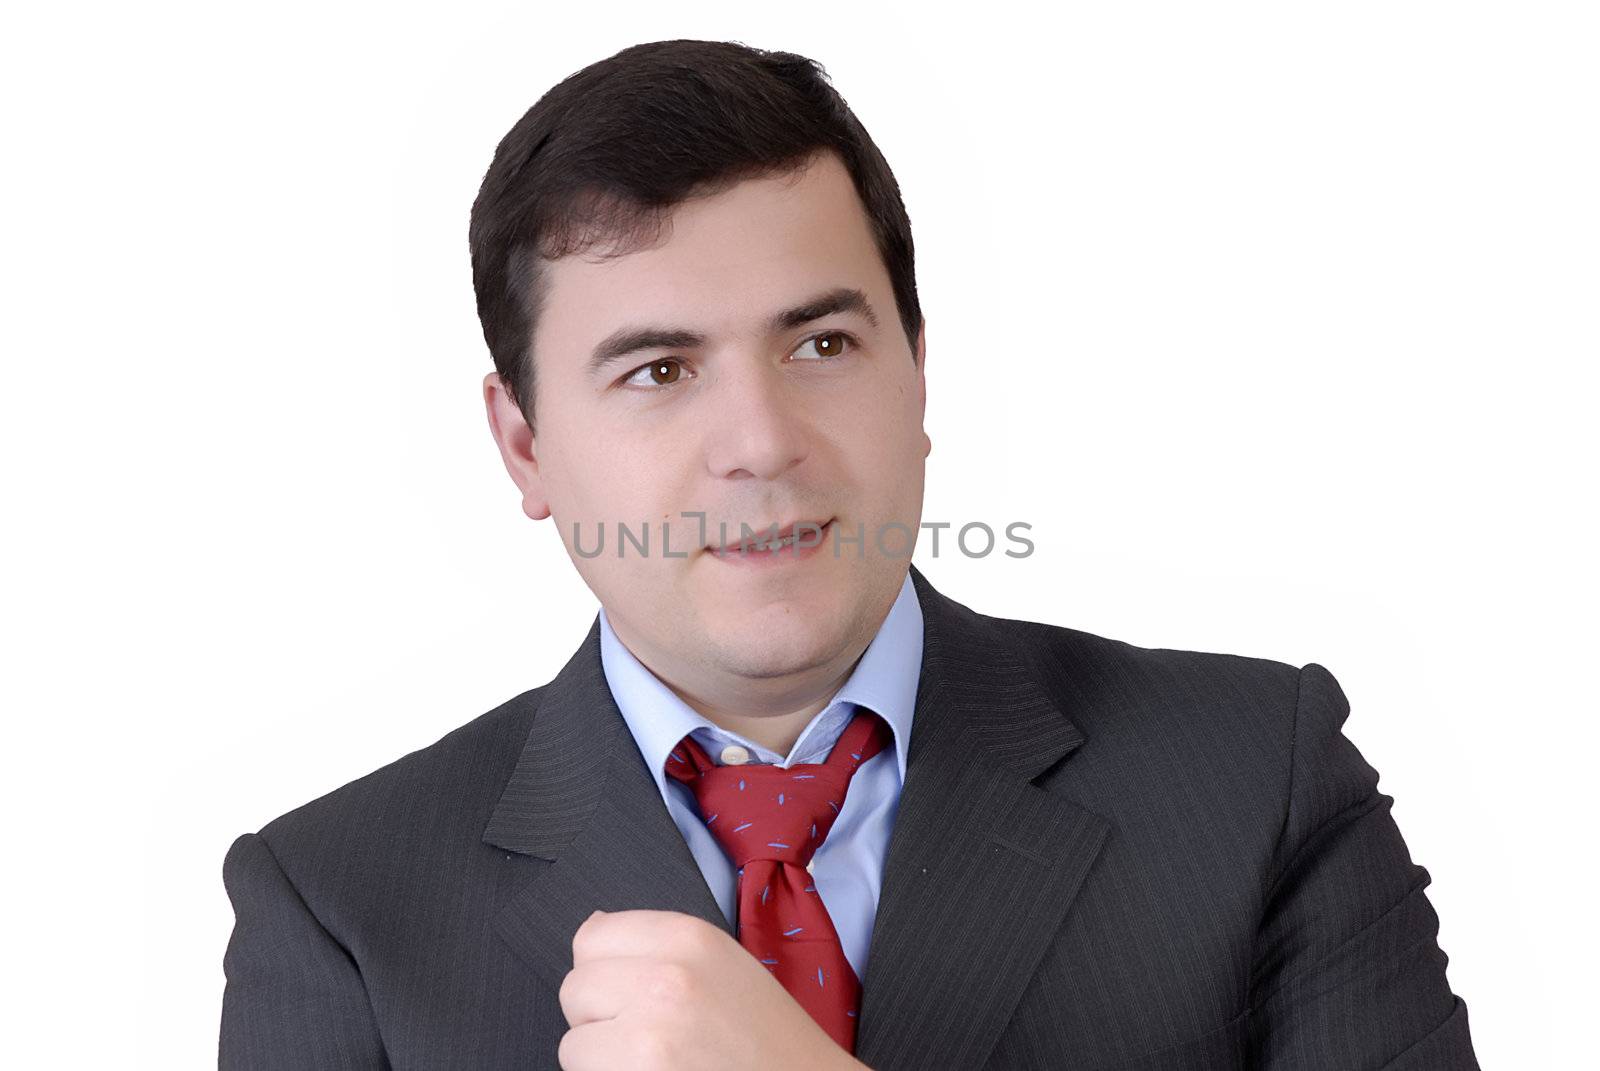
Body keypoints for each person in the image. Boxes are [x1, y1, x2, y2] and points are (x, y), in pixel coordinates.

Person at [219, 38, 1480, 1070]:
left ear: (917, 369)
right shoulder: (341, 906)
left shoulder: (1257, 778)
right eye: (658, 371)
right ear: (526, 448)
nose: (760, 443)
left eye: (820, 345)